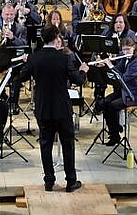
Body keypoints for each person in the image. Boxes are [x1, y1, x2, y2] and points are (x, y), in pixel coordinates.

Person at [20, 25, 89, 192]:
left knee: (45, 144)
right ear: (56, 37)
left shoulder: (35, 58)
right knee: (67, 144)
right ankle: (71, 181)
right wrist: (83, 71)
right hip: (62, 108)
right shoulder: (64, 58)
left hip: (43, 107)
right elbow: (78, 80)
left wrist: (27, 62)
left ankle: (49, 181)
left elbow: (21, 76)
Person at [97, 37, 137, 146]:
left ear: (134, 47)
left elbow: (123, 77)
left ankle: (115, 134)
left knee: (113, 106)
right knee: (104, 102)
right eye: (124, 50)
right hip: (124, 90)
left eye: (128, 49)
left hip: (133, 94)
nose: (126, 52)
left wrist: (111, 66)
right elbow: (116, 71)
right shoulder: (125, 59)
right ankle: (115, 130)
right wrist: (105, 67)